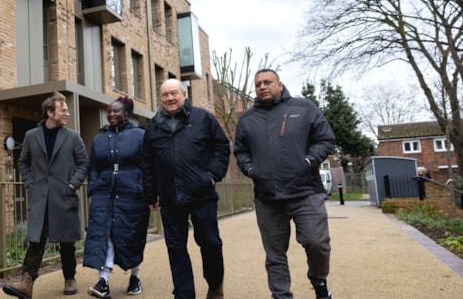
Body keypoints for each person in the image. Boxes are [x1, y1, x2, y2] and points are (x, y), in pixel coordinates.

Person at [234, 69, 336, 299]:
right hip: (267, 198)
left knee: (317, 242)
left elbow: (326, 138)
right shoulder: (247, 119)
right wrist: (250, 169)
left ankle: (319, 283)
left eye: (267, 82)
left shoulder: (304, 108)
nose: (262, 87)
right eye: (258, 84)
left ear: (280, 84)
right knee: (275, 254)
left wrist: (308, 161)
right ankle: (281, 295)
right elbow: (240, 151)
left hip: (305, 192)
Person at [140, 78, 231, 299]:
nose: (170, 98)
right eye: (165, 95)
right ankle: (184, 294)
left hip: (202, 194)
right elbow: (147, 162)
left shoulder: (203, 118)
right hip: (170, 197)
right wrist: (150, 193)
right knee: (176, 248)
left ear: (184, 94)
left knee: (210, 242)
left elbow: (221, 147)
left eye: (174, 93)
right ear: (160, 98)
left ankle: (215, 283)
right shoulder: (153, 126)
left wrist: (212, 176)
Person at [3, 92, 89, 299]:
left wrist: (73, 184)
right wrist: (31, 183)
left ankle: (70, 278)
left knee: (66, 241)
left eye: (67, 110)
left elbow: (84, 163)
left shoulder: (73, 136)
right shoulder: (32, 136)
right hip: (40, 196)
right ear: (50, 113)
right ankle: (26, 282)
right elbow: (23, 162)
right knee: (36, 240)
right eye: (63, 110)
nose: (67, 113)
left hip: (64, 195)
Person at [84, 97, 149, 298]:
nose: (111, 114)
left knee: (132, 234)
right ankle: (103, 281)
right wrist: (94, 185)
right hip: (104, 193)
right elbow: (93, 165)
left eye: (116, 111)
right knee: (105, 233)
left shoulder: (140, 135)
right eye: (109, 111)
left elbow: (148, 165)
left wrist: (142, 188)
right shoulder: (100, 138)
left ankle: (135, 277)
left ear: (126, 112)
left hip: (132, 193)